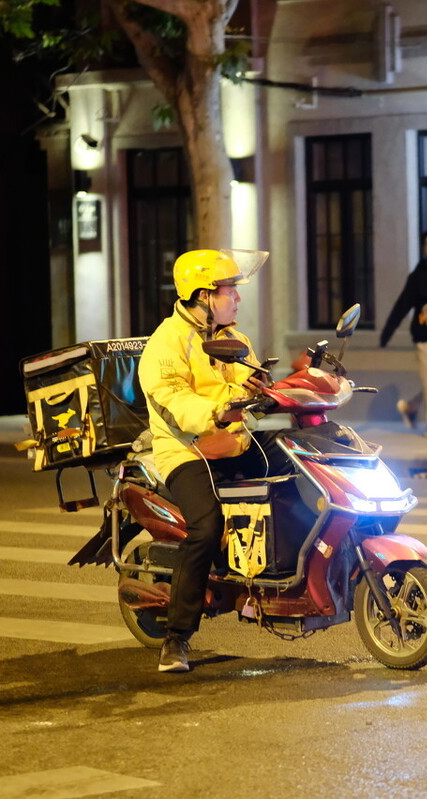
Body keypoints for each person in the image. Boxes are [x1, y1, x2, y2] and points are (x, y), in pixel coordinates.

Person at [137, 248, 283, 673]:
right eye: (229, 290)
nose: (237, 298)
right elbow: (171, 399)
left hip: (232, 442)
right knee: (205, 527)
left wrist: (267, 386)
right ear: (203, 295)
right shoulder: (166, 343)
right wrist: (215, 412)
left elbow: (246, 374)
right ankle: (177, 638)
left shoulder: (230, 336)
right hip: (187, 451)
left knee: (298, 466)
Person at [379, 229, 427, 438]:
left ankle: (410, 407)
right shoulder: (418, 277)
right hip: (425, 338)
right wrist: (387, 332)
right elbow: (402, 305)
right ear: (425, 249)